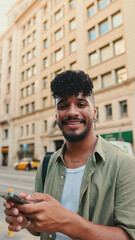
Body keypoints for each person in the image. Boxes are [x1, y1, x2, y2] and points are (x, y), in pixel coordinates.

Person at [4, 70, 135, 240]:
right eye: (63, 106)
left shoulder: (125, 166)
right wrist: (27, 220)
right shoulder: (46, 164)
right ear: (56, 115)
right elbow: (42, 228)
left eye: (81, 104)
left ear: (94, 112)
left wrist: (64, 222)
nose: (72, 112)